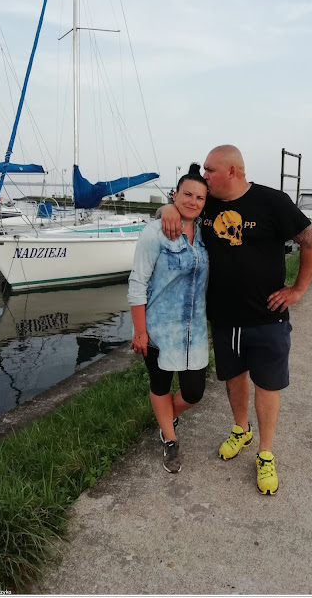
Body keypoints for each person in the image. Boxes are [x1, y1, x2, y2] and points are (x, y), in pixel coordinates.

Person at [161, 145, 312, 495]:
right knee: (234, 378)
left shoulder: (272, 202)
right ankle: (240, 429)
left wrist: (298, 289)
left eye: (209, 170)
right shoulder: (208, 202)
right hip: (224, 318)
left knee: (267, 384)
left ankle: (265, 453)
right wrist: (168, 208)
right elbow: (179, 206)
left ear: (231, 171)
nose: (204, 176)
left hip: (267, 318)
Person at [128, 172, 209, 474]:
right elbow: (137, 283)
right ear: (175, 195)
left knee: (194, 393)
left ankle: (166, 419)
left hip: (194, 331)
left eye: (200, 197)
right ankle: (169, 437)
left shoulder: (206, 234)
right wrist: (140, 331)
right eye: (187, 194)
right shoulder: (154, 233)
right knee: (160, 384)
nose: (193, 201)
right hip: (158, 328)